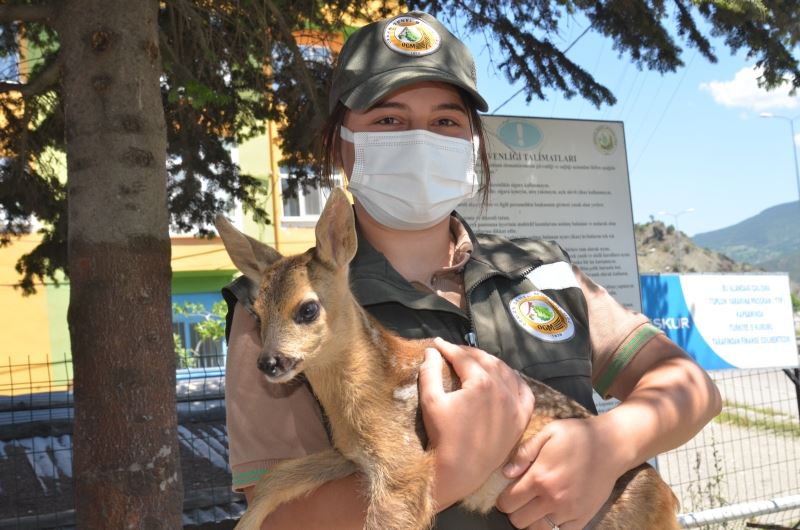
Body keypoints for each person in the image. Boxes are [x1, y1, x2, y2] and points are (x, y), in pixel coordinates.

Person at [222, 11, 722, 530]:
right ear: (339, 140)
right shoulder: (278, 305)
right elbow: (279, 518)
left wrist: (608, 444)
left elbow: (691, 388)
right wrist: (452, 471)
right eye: (388, 120)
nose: (419, 139)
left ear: (472, 141)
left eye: (445, 121)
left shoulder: (542, 270)